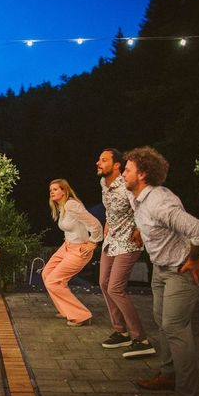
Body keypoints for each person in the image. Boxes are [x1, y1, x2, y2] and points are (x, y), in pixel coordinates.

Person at [125, 147, 199, 396]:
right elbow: (142, 217)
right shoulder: (138, 197)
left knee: (175, 327)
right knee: (161, 322)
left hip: (182, 269)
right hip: (161, 268)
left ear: (142, 174)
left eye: (127, 169)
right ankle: (168, 375)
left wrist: (194, 258)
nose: (123, 173)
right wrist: (139, 230)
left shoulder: (160, 202)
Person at [96, 148, 155, 357]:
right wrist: (107, 222)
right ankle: (120, 332)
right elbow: (109, 207)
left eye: (104, 160)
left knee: (115, 288)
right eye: (99, 160)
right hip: (112, 239)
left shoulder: (127, 185)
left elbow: (141, 205)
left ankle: (141, 338)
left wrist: (139, 228)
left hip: (129, 241)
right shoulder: (104, 183)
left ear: (117, 165)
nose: (98, 163)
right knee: (104, 283)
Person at [42, 179, 103, 327]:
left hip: (79, 249)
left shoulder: (72, 205)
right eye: (51, 189)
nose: (52, 192)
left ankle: (81, 316)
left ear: (64, 191)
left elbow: (95, 224)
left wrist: (93, 242)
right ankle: (65, 310)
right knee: (46, 274)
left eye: (56, 189)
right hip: (67, 247)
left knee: (53, 281)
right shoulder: (62, 207)